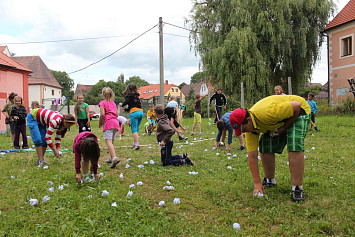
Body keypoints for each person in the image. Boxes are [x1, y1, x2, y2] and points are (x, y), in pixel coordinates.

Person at [229, 95, 311, 202]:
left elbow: (296, 106)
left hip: (300, 111)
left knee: (294, 144)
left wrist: (284, 128)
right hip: (281, 118)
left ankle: (297, 188)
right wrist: (257, 183)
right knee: (265, 144)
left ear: (249, 120)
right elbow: (252, 156)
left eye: (244, 129)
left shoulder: (268, 113)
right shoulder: (251, 130)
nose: (245, 132)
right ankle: (270, 180)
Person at [99, 87, 120, 168]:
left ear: (103, 95)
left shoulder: (102, 103)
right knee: (112, 141)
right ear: (111, 95)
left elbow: (102, 114)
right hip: (115, 123)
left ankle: (114, 157)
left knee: (108, 142)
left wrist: (100, 122)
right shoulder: (114, 103)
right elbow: (117, 114)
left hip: (109, 123)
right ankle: (111, 157)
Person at [120, 83, 144, 150]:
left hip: (134, 113)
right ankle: (134, 143)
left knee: (134, 130)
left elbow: (127, 102)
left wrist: (122, 104)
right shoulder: (137, 96)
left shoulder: (129, 95)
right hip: (141, 112)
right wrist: (125, 109)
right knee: (136, 129)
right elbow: (132, 106)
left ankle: (136, 145)